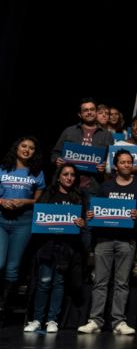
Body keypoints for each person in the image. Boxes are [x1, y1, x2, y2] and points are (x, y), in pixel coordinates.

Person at [78, 150, 137, 335]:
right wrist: (91, 215)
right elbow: (96, 212)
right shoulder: (105, 187)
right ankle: (95, 320)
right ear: (116, 166)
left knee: (122, 283)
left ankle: (118, 322)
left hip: (127, 241)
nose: (126, 165)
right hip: (104, 239)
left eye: (129, 162)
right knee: (100, 282)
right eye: (122, 162)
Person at [24, 163, 86, 333]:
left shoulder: (78, 197)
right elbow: (39, 218)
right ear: (59, 176)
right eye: (65, 174)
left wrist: (81, 223)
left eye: (72, 175)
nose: (69, 177)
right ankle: (37, 319)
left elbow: (83, 222)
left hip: (67, 247)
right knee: (44, 282)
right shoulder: (48, 194)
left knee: (59, 282)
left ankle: (52, 320)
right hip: (47, 245)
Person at [1, 136, 45, 319]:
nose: (27, 150)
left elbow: (39, 200)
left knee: (13, 267)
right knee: (0, 263)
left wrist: (25, 201)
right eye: (24, 146)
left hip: (24, 222)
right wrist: (1, 201)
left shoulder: (36, 172)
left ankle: (3, 307)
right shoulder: (3, 169)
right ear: (16, 148)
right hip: (1, 220)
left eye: (32, 148)